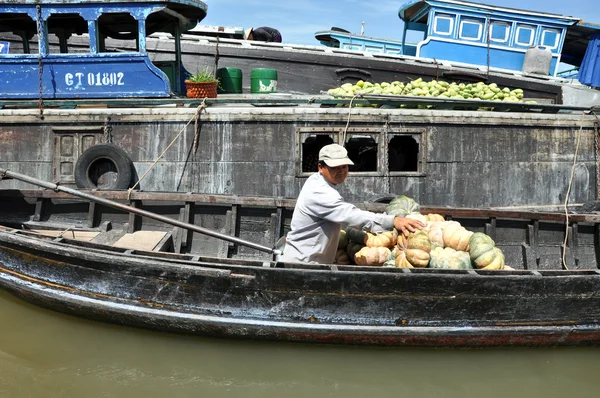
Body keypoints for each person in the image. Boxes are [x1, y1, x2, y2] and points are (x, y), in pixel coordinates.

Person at [281, 144, 425, 264]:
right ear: (320, 167)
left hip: (311, 262)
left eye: (344, 166)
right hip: (303, 264)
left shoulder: (318, 181)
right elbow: (350, 215)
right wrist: (393, 220)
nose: (341, 171)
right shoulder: (319, 193)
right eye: (335, 167)